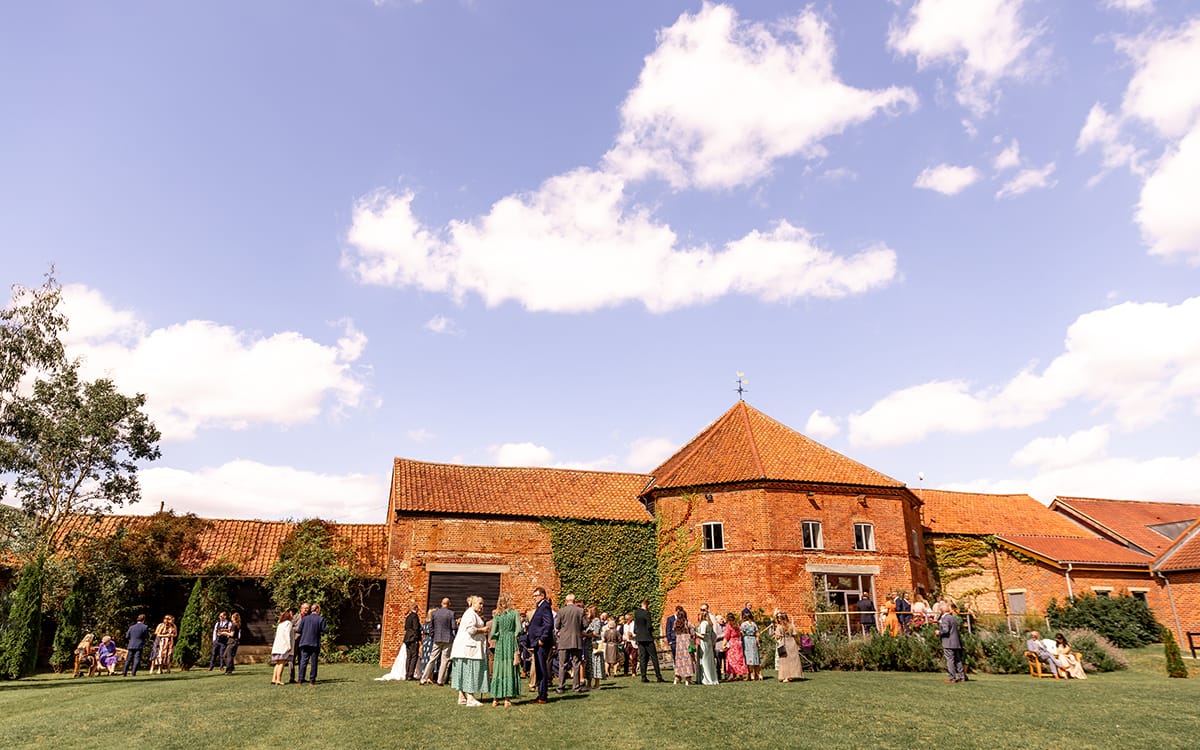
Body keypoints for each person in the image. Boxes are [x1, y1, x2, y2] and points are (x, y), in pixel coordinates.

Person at [449, 594, 489, 707]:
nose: (482, 606)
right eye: (480, 603)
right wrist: (483, 629)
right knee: (470, 672)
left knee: (464, 672)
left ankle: (462, 697)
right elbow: (471, 630)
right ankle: (470, 698)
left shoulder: (471, 614)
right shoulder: (470, 614)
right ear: (473, 603)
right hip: (469, 650)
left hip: (465, 650)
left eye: (483, 604)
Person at [489, 593, 522, 707]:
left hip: (500, 643)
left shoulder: (497, 616)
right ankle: (507, 700)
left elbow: (492, 633)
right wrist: (513, 635)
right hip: (510, 642)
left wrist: (498, 635)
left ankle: (495, 699)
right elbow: (519, 629)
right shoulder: (514, 613)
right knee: (509, 667)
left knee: (498, 668)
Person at [527, 586, 554, 704]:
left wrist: (542, 639)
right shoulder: (540, 606)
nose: (534, 598)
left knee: (542, 669)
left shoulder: (545, 607)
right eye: (533, 596)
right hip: (536, 642)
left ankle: (543, 696)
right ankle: (540, 694)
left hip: (542, 643)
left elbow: (548, 624)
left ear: (542, 595)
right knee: (538, 668)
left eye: (536, 596)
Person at [420, 597, 455, 686]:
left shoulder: (435, 613)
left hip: (437, 638)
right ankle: (440, 681)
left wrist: (433, 635)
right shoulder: (451, 613)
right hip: (447, 639)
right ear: (449, 604)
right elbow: (453, 627)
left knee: (432, 659)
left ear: (441, 603)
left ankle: (423, 679)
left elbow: (431, 626)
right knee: (444, 660)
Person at [555, 593, 586, 693]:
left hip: (564, 640)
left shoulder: (561, 611)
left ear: (566, 601)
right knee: (576, 664)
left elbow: (557, 625)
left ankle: (561, 687)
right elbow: (585, 624)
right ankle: (576, 686)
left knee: (562, 664)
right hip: (576, 640)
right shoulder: (580, 611)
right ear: (574, 600)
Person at [634, 599, 665, 682]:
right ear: (647, 605)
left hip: (640, 637)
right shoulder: (646, 613)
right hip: (647, 637)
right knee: (654, 657)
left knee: (643, 657)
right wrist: (652, 631)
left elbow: (636, 626)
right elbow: (649, 625)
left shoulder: (637, 613)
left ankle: (643, 677)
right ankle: (658, 676)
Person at [296, 603, 325, 684]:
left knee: (303, 662)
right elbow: (324, 630)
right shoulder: (320, 619)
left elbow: (299, 630)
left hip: (304, 642)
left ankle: (300, 680)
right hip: (314, 643)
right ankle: (312, 680)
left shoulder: (305, 618)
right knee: (314, 662)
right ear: (317, 610)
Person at [772, 612, 803, 682]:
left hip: (784, 643)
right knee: (791, 660)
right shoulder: (791, 626)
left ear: (782, 619)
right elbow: (795, 635)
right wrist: (798, 644)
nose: (779, 620)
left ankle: (786, 677)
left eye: (780, 618)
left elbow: (777, 637)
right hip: (792, 643)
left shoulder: (779, 627)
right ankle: (790, 676)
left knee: (784, 660)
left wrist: (777, 636)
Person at [940, 603, 967, 682]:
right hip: (956, 642)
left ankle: (952, 678)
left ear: (942, 610)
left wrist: (939, 632)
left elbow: (945, 630)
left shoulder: (945, 618)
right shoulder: (953, 618)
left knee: (950, 660)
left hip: (948, 642)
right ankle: (962, 677)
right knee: (958, 660)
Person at [694, 606, 718, 685]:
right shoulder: (709, 623)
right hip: (709, 643)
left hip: (704, 643)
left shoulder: (704, 623)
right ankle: (711, 678)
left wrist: (695, 633)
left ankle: (706, 679)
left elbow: (702, 635)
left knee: (704, 661)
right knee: (709, 661)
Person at [671, 607, 695, 685]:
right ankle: (688, 679)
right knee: (687, 660)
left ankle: (677, 678)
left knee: (679, 660)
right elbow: (693, 633)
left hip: (679, 643)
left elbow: (674, 630)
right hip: (687, 643)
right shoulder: (688, 623)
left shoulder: (675, 623)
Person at [271, 609, 294, 685]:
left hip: (277, 646)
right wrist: (289, 645)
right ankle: (278, 679)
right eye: (291, 614)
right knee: (282, 663)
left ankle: (274, 679)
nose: (292, 616)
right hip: (284, 646)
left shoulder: (281, 624)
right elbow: (287, 635)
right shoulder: (288, 623)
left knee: (277, 663)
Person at [723, 611, 747, 680]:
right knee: (739, 659)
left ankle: (733, 675)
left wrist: (723, 644)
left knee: (732, 659)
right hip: (738, 643)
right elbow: (740, 633)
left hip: (732, 643)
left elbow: (727, 636)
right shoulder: (737, 624)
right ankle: (740, 674)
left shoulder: (728, 625)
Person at [288, 603, 309, 683]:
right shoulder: (296, 617)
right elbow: (290, 627)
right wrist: (299, 629)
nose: (306, 610)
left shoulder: (309, 617)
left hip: (304, 641)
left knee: (302, 659)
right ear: (301, 608)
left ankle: (301, 678)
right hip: (295, 640)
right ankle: (292, 678)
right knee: (292, 659)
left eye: (307, 608)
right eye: (305, 608)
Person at [584, 605, 604, 689]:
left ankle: (597, 684)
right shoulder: (589, 621)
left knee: (596, 664)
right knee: (589, 664)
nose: (587, 613)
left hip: (594, 645)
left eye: (588, 611)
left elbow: (596, 633)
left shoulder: (596, 620)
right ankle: (588, 683)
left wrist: (586, 634)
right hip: (588, 645)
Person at [741, 611, 762, 681]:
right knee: (755, 657)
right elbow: (757, 634)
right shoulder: (754, 624)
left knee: (749, 657)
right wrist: (758, 643)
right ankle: (759, 674)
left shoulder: (744, 624)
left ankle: (751, 674)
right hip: (754, 640)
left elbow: (742, 633)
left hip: (747, 640)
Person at [403, 603, 422, 680]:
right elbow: (416, 628)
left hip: (407, 638)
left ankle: (407, 674)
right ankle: (410, 675)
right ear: (416, 609)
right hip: (413, 639)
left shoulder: (408, 617)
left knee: (408, 657)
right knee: (414, 656)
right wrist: (417, 639)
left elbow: (406, 627)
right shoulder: (415, 617)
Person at [602, 613, 621, 680]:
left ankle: (607, 672)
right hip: (615, 646)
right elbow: (620, 639)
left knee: (607, 660)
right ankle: (615, 672)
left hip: (608, 646)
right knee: (616, 660)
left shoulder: (606, 632)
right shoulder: (616, 632)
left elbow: (604, 639)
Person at [419, 607, 435, 678]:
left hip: (425, 641)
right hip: (431, 641)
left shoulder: (425, 624)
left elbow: (421, 631)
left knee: (425, 658)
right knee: (431, 658)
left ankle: (424, 675)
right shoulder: (432, 624)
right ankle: (430, 676)